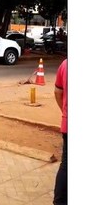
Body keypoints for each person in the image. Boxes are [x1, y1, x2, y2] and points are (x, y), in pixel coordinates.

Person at [53, 58, 67, 205]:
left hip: (67, 123)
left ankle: (60, 201)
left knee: (66, 164)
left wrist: (65, 112)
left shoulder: (65, 64)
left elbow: (57, 91)